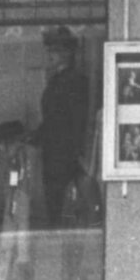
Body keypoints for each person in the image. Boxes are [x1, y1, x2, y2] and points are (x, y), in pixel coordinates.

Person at [34, 27, 93, 223]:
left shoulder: (75, 81)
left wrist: (77, 154)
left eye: (56, 51)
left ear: (67, 54)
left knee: (63, 209)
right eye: (50, 51)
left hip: (65, 155)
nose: (51, 55)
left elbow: (75, 121)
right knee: (56, 207)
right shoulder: (56, 81)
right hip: (55, 153)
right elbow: (52, 120)